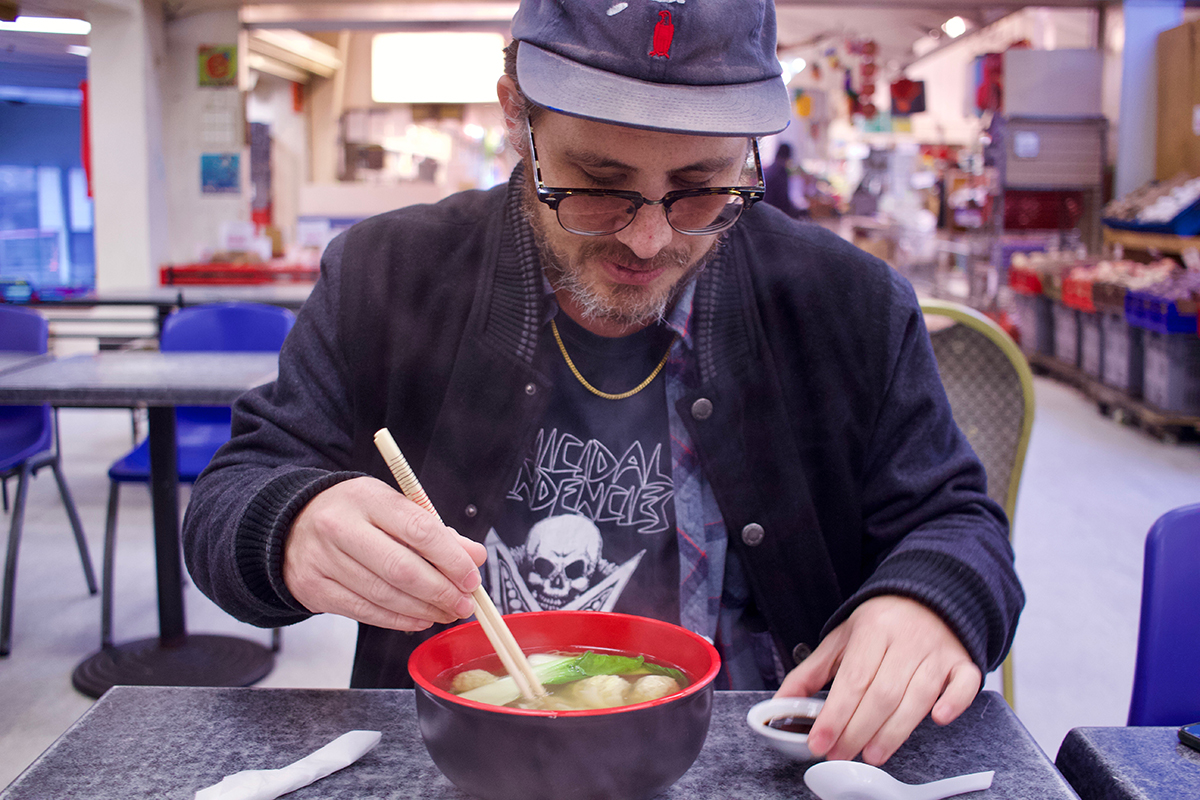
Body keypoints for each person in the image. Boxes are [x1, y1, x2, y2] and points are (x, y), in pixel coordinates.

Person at [183, 0, 1023, 768]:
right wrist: (293, 526)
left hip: (759, 762)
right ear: (517, 114)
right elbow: (232, 500)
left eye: (702, 189)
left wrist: (930, 602)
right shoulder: (387, 272)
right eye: (597, 185)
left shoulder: (847, 303)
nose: (650, 239)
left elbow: (957, 524)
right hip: (466, 762)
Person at [763, 142, 806, 218]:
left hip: (766, 208)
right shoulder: (781, 172)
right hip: (775, 211)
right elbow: (782, 198)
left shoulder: (771, 169)